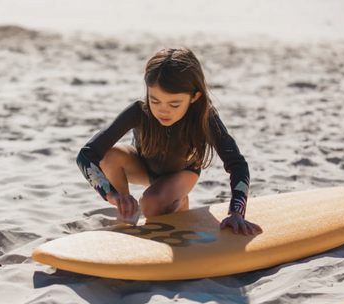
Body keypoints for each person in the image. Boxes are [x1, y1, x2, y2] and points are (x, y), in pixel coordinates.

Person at [76, 47, 262, 235]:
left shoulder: (205, 118)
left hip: (183, 173)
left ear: (195, 97)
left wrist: (236, 212)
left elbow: (238, 164)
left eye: (174, 104)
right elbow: (86, 155)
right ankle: (127, 216)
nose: (162, 111)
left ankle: (179, 200)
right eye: (154, 100)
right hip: (144, 168)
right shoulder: (138, 111)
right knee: (110, 155)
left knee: (151, 203)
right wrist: (112, 194)